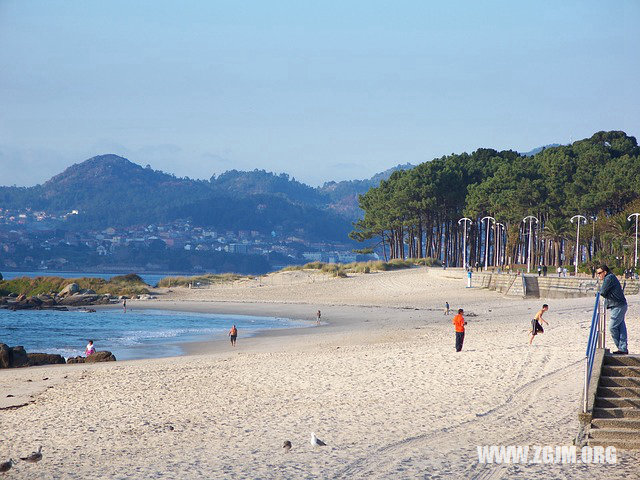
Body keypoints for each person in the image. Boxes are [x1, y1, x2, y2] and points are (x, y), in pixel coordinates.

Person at [597, 265, 628, 354]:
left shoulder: (609, 278)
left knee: (612, 327)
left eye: (599, 273)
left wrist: (599, 292)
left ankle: (621, 348)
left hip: (618, 305)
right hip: (619, 305)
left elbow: (603, 291)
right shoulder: (610, 277)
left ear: (605, 272)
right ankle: (623, 348)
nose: (599, 275)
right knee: (621, 327)